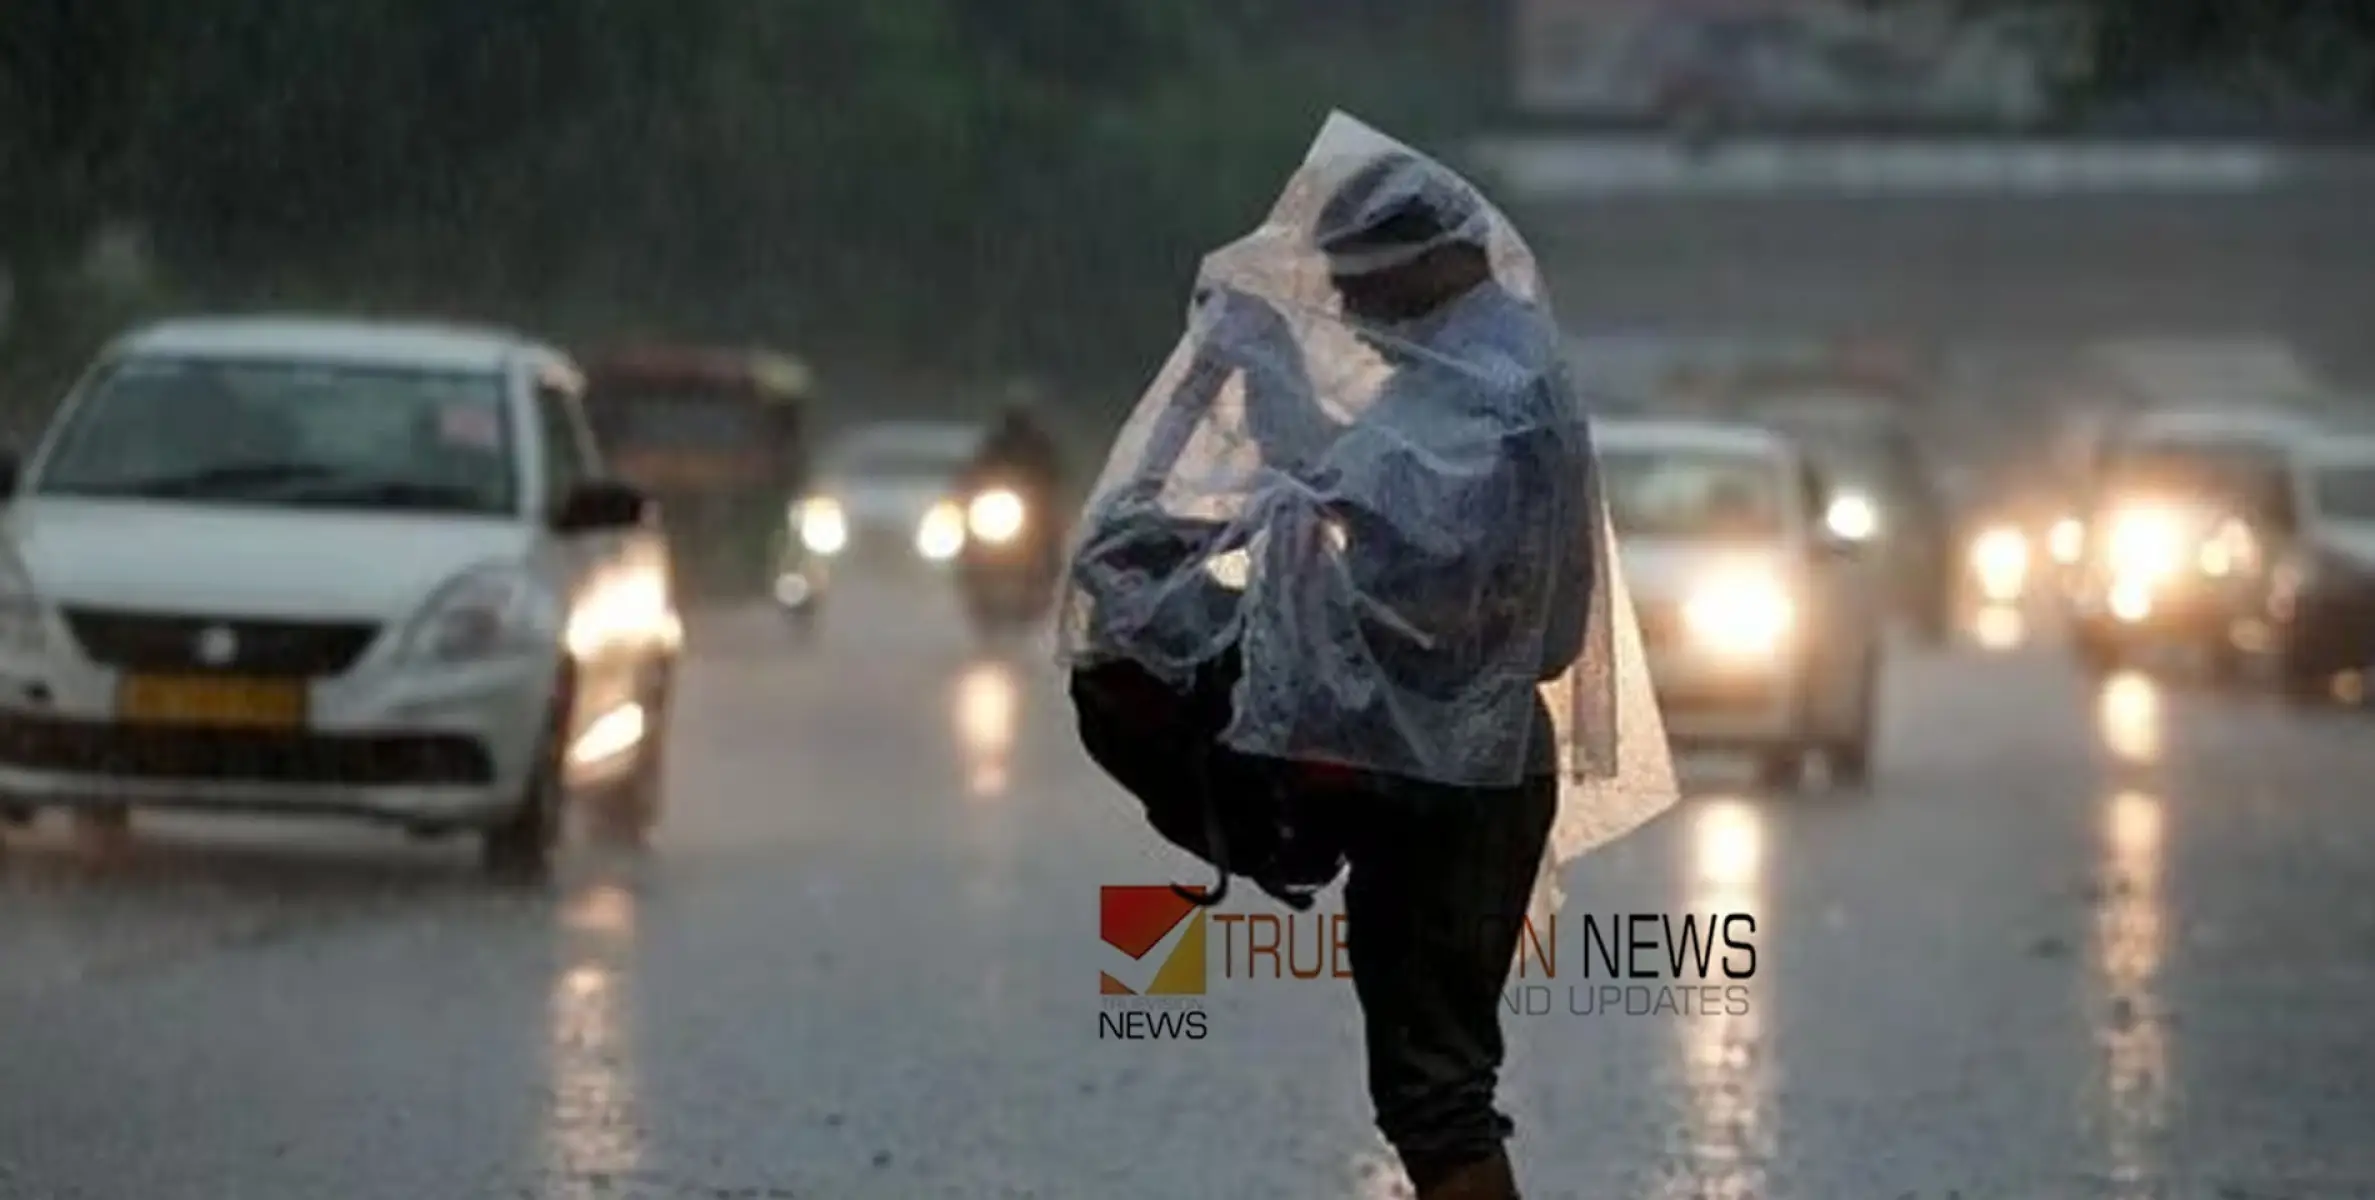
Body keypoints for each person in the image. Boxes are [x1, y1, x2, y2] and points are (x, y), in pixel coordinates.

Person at [1065, 131, 1606, 1200]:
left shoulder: (1491, 384)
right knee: (1428, 1090)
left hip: (1459, 776)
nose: (1354, 315)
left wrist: (1277, 506)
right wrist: (1264, 384)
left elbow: (1412, 537)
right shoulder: (1466, 373)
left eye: (1365, 285)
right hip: (1445, 763)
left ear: (1432, 260)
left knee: (1434, 1094)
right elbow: (1364, 488)